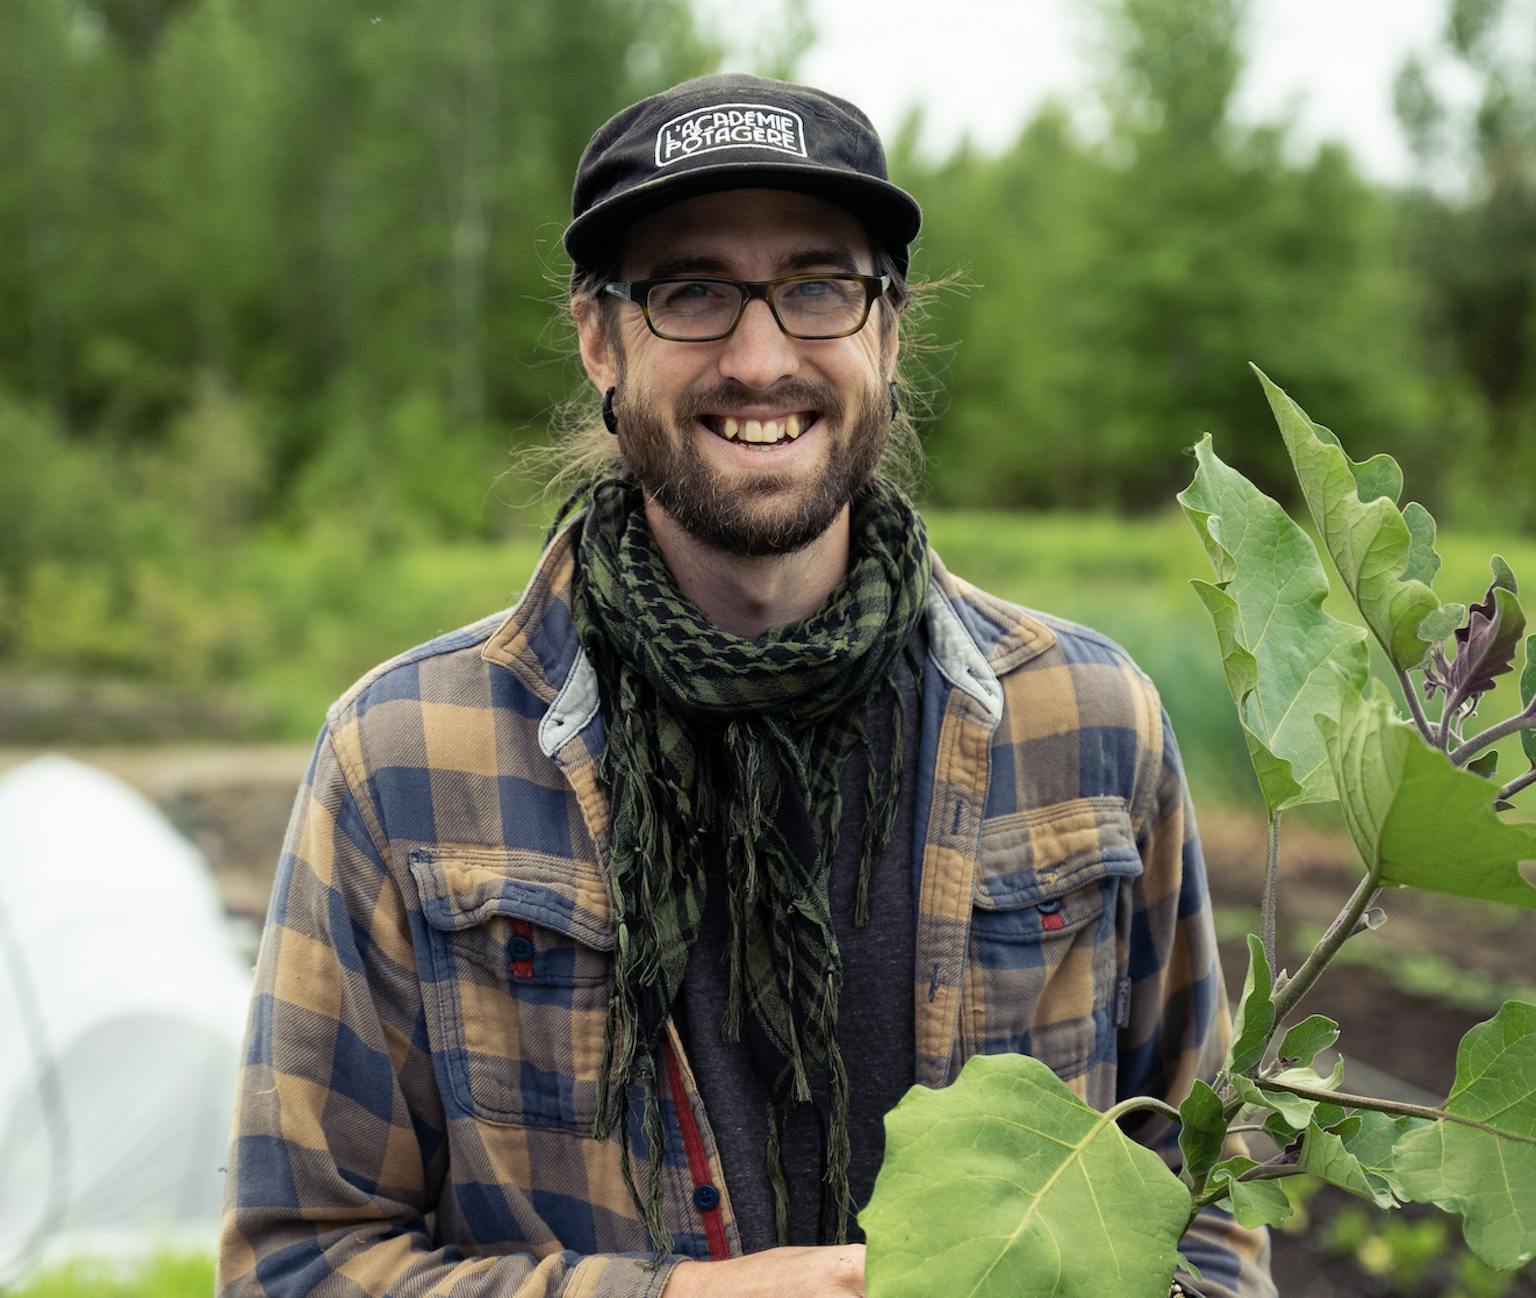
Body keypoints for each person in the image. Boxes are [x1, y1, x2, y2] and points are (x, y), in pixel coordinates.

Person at [218, 72, 1276, 1298]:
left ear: (886, 330)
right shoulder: (400, 762)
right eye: (693, 292)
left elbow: (1201, 1213)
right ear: (600, 337)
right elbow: (295, 1264)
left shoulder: (1092, 724)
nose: (761, 357)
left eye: (818, 286)